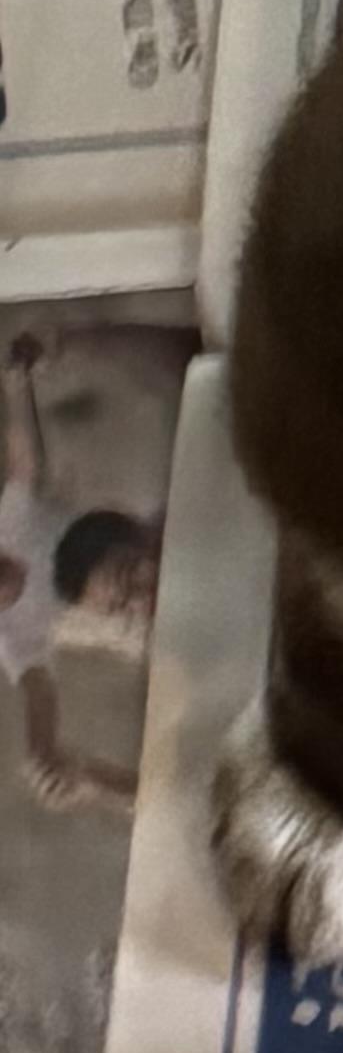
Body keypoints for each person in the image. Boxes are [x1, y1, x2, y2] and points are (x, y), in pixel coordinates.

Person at [0, 330, 158, 812]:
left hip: (112, 538)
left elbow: (26, 460)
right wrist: (46, 757)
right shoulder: (13, 639)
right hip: (98, 600)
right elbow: (39, 704)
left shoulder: (10, 518)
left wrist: (17, 380)